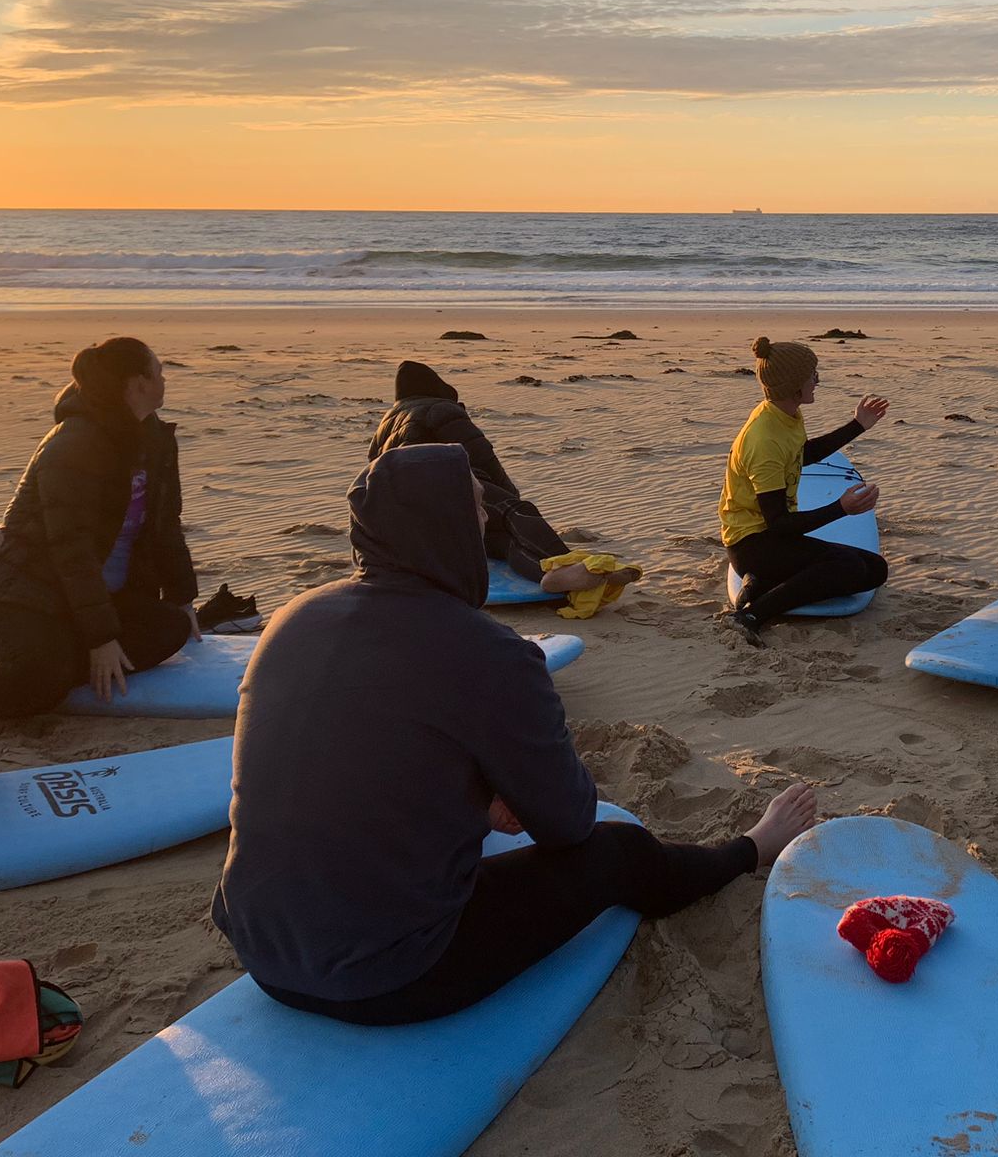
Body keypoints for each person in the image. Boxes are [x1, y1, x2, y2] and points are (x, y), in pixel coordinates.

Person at [213, 444, 817, 1023]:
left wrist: (477, 793)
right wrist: (500, 788)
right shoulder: (490, 653)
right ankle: (750, 850)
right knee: (620, 850)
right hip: (388, 976)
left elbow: (368, 762)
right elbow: (568, 825)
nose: (489, 518)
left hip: (257, 943)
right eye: (478, 505)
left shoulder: (293, 618)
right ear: (446, 524)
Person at [0, 338, 198, 718]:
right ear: (137, 384)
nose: (164, 378)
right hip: (26, 601)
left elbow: (165, 524)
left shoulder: (156, 439)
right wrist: (101, 638)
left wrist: (182, 596)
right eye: (158, 372)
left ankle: (68, 660)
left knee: (171, 628)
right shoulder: (74, 445)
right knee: (46, 680)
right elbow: (71, 548)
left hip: (99, 600)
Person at [367, 360, 638, 602]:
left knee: (496, 541)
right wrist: (509, 501)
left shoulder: (385, 425)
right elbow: (482, 457)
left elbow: (374, 473)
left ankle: (553, 578)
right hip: (448, 487)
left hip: (409, 514)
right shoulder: (440, 410)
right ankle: (563, 566)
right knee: (516, 514)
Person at [719, 337, 888, 643]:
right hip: (752, 544)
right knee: (847, 567)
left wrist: (858, 425)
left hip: (772, 539)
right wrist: (841, 508)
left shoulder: (783, 415)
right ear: (794, 386)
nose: (817, 381)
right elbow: (779, 523)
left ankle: (763, 582)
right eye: (812, 375)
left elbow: (802, 454)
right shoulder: (764, 440)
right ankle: (751, 615)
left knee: (875, 570)